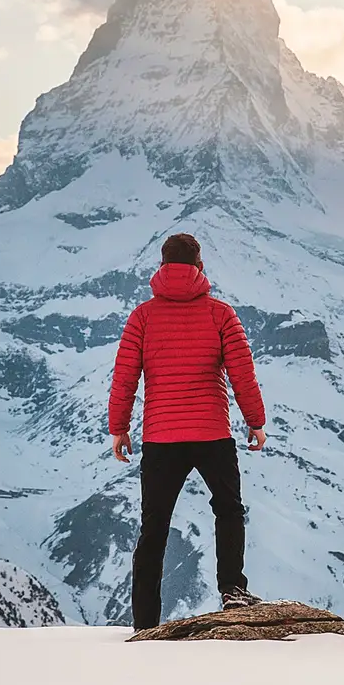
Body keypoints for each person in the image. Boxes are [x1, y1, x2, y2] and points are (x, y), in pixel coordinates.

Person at [109, 232, 268, 630]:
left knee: (154, 526)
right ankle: (232, 588)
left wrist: (119, 428)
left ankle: (145, 621)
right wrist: (255, 422)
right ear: (199, 266)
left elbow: (125, 376)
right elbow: (241, 374)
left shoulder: (142, 316)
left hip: (161, 438)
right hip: (212, 432)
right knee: (228, 509)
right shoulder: (220, 313)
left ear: (161, 266)